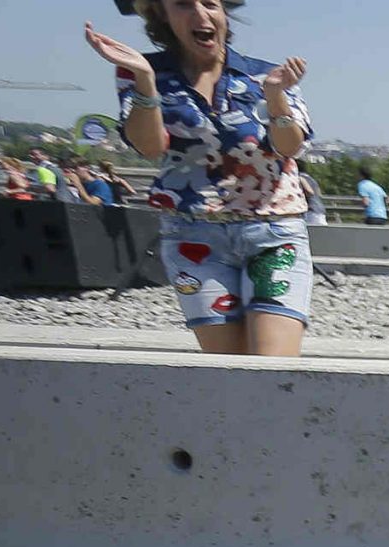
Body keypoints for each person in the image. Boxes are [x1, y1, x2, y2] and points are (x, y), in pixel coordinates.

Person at [85, 2, 315, 358]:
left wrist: (275, 98)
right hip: (193, 238)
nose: (200, 14)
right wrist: (145, 83)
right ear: (162, 15)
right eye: (182, 4)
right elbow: (149, 147)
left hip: (274, 234)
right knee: (228, 371)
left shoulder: (265, 75)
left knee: (275, 370)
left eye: (210, 3)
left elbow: (289, 147)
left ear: (224, 14)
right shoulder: (142, 72)